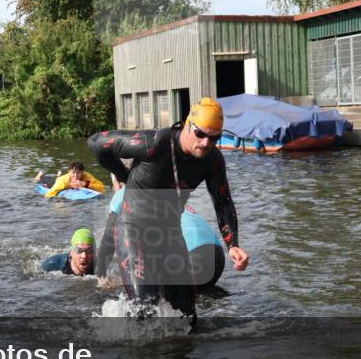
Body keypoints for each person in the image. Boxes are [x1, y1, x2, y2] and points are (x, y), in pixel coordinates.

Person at [87, 98, 249, 321]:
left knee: (188, 316)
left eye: (214, 138)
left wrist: (233, 245)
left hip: (170, 233)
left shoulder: (213, 161)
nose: (205, 143)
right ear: (187, 124)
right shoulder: (154, 143)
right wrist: (125, 176)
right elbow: (96, 142)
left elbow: (222, 202)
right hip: (134, 229)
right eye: (200, 134)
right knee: (145, 307)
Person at [97, 188, 225, 290]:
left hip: (191, 258)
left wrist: (101, 278)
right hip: (217, 255)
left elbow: (108, 240)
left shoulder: (124, 193)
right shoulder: (163, 190)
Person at [40, 161, 106, 198]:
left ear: (83, 172)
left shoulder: (86, 176)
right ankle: (40, 175)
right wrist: (60, 199)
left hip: (63, 179)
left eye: (79, 173)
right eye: (73, 173)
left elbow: (102, 188)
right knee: (46, 181)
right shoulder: (63, 181)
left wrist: (85, 184)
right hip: (57, 183)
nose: (76, 176)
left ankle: (59, 174)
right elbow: (48, 195)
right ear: (69, 172)